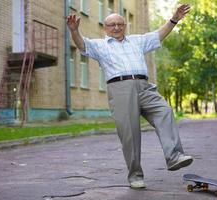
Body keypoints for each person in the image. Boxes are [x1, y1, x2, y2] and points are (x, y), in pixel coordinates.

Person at [66, 4, 193, 189]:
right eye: (112, 25)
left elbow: (158, 34)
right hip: (120, 89)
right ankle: (135, 175)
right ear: (105, 28)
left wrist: (174, 19)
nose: (117, 27)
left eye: (120, 24)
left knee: (164, 111)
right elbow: (81, 45)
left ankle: (174, 157)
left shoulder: (137, 41)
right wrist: (74, 31)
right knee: (130, 134)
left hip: (144, 86)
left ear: (125, 26)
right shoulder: (100, 45)